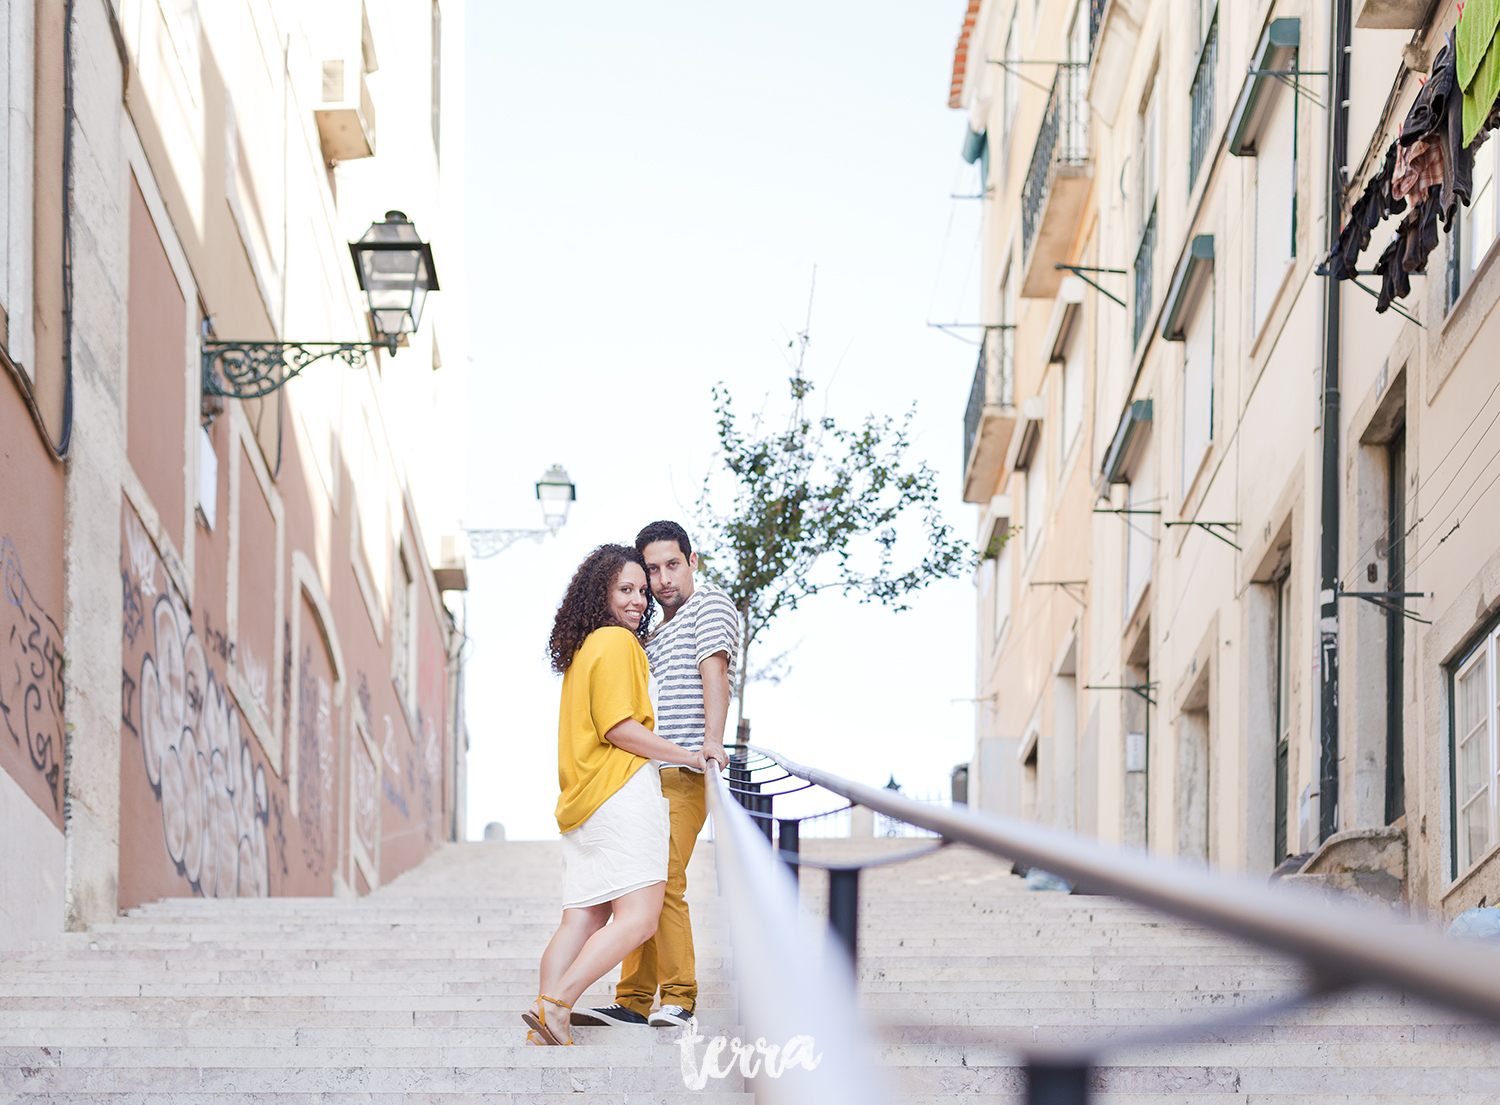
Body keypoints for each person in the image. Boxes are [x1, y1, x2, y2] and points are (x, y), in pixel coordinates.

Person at [524, 543, 707, 1047]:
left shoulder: (582, 651)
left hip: (583, 802)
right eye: (625, 589)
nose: (637, 601)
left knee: (583, 917)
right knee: (641, 918)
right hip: (621, 796)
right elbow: (619, 728)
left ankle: (544, 1022)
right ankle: (560, 1004)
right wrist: (689, 755)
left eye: (642, 592)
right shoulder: (619, 644)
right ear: (600, 592)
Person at [573, 521, 735, 1030]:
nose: (663, 579)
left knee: (665, 881)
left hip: (685, 770)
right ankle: (634, 999)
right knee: (643, 883)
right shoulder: (652, 633)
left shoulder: (707, 606)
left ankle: (680, 997)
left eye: (673, 565)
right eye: (653, 570)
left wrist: (711, 741)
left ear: (691, 562)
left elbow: (717, 674)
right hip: (647, 775)